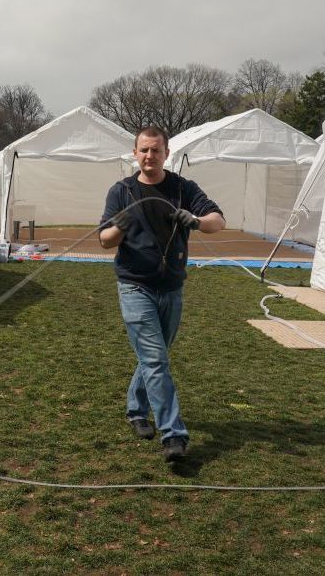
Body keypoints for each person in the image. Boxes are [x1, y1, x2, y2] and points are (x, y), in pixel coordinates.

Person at [99, 127, 225, 463]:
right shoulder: (122, 191)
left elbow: (218, 221)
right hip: (134, 286)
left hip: (171, 287)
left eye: (155, 150)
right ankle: (173, 435)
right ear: (134, 153)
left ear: (166, 153)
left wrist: (196, 221)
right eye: (143, 150)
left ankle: (136, 410)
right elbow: (105, 239)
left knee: (155, 356)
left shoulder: (183, 189)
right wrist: (120, 225)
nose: (149, 156)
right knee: (156, 359)